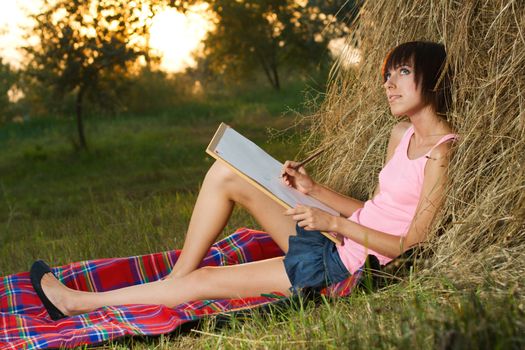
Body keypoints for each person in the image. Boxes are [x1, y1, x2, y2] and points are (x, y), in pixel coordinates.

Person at [31, 41, 457, 320]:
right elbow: (375, 208)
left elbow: (412, 245)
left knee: (202, 286)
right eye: (386, 74)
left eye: (401, 72)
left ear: (432, 77)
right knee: (225, 172)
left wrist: (336, 226)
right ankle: (175, 278)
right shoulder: (400, 135)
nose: (388, 83)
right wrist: (313, 191)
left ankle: (76, 303)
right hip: (338, 235)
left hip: (341, 265)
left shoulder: (441, 151)